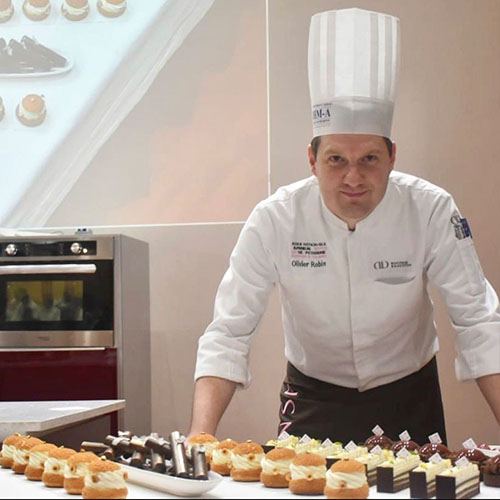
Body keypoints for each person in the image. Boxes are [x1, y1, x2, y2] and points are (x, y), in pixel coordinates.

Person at [189, 8, 500, 445]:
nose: (354, 177)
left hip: (409, 397)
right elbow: (229, 331)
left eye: (369, 158)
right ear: (312, 160)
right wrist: (199, 435)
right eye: (336, 159)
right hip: (313, 397)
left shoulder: (431, 209)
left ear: (392, 156)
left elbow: (479, 321)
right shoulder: (275, 219)